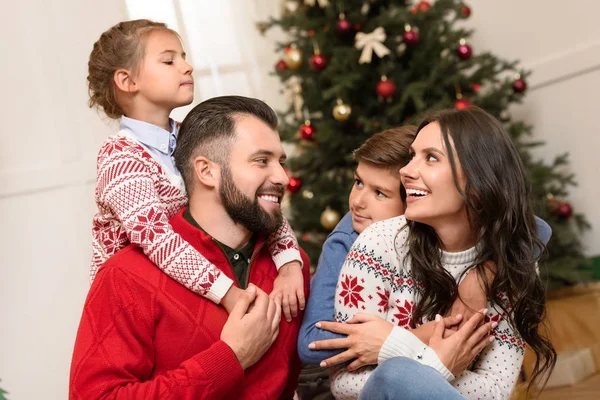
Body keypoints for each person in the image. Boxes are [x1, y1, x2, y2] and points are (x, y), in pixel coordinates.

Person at [69, 95, 311, 399]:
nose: (282, 177)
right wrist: (231, 357)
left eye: (281, 162)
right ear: (206, 171)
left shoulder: (290, 268)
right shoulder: (125, 277)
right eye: (261, 161)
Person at [327, 107, 556, 399]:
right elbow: (345, 383)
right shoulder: (379, 244)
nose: (406, 171)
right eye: (412, 156)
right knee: (392, 375)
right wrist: (438, 364)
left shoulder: (512, 265)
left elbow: (496, 391)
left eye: (431, 158)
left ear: (477, 182)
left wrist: (398, 348)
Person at [87, 19, 304, 320]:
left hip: (193, 286)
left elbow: (255, 197)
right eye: (169, 60)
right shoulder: (120, 158)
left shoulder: (194, 138)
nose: (187, 67)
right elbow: (156, 238)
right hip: (134, 305)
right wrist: (229, 294)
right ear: (127, 81)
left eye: (184, 58)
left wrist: (290, 264)